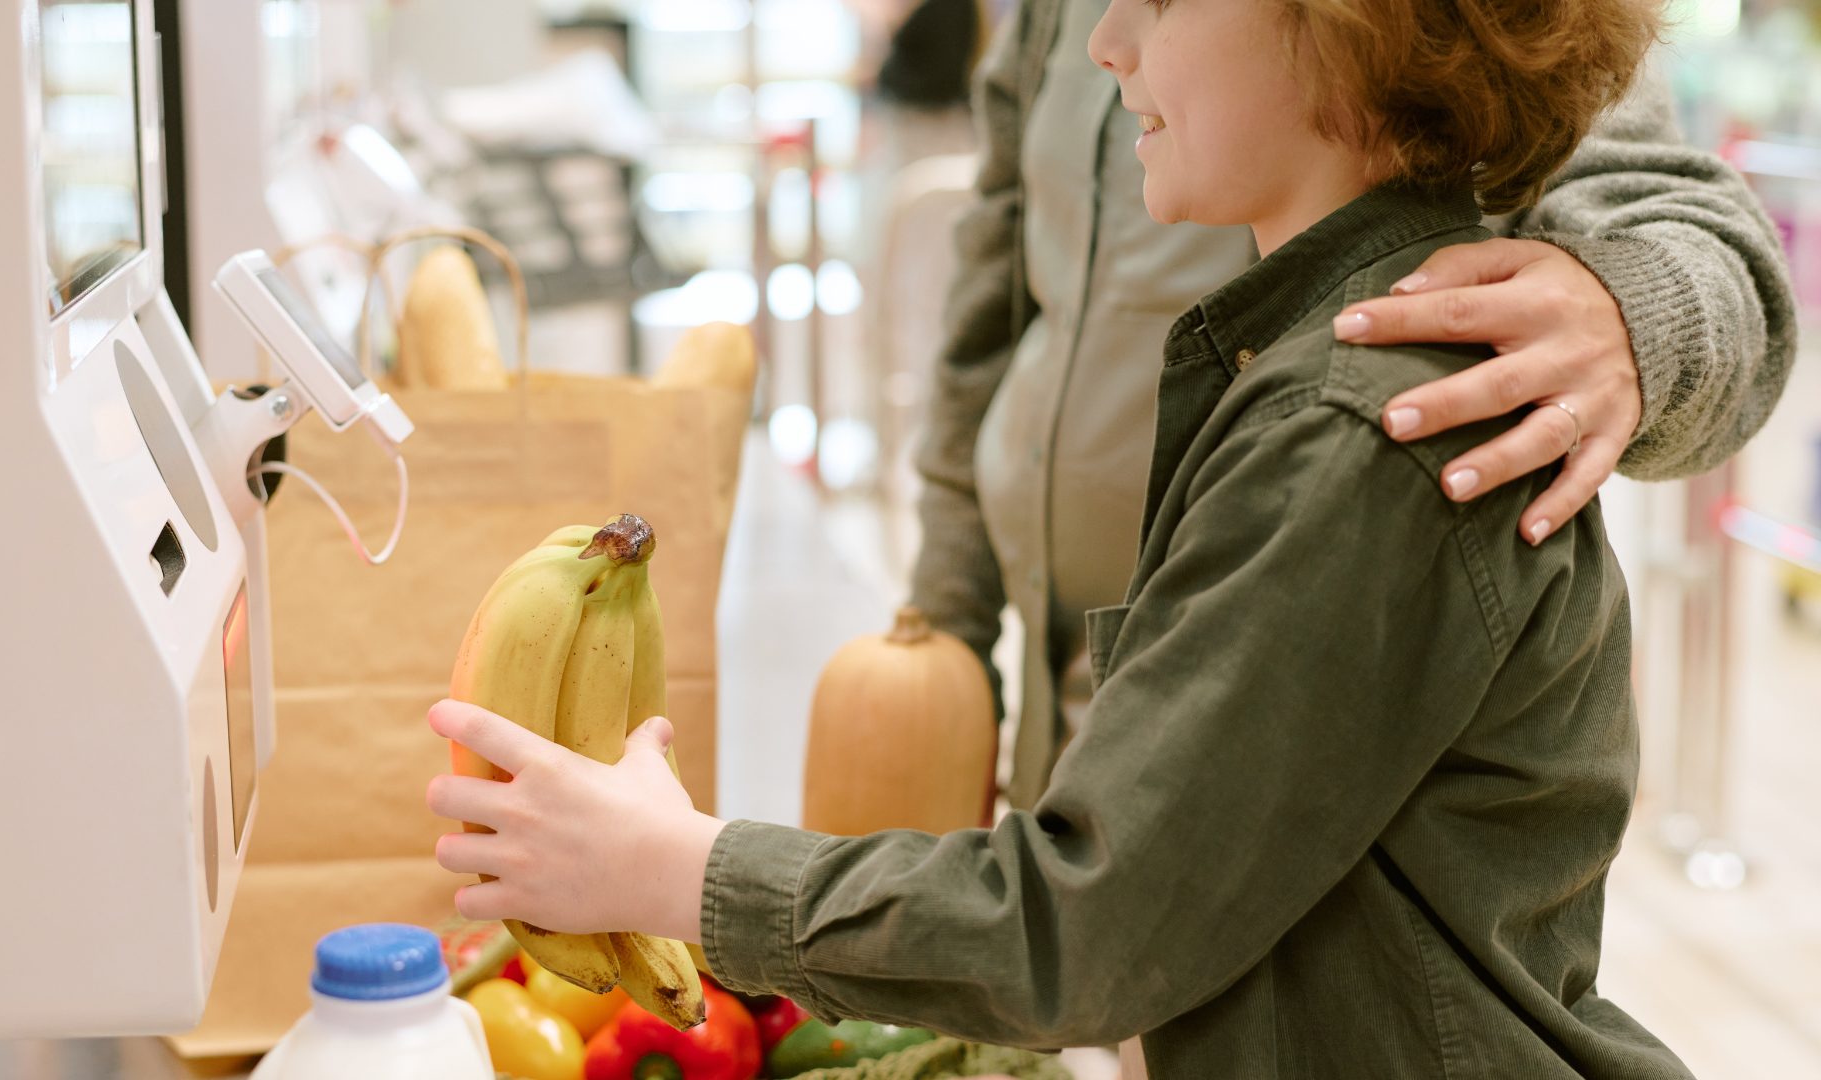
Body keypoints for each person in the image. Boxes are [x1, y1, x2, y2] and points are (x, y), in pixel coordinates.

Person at [426, 0, 1729, 1074]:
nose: (1103, 43)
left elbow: (1088, 932)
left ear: (1352, 27)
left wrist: (679, 870)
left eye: (1155, 1)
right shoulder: (1307, 375)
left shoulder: (1361, 431)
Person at [911, 0, 1797, 816]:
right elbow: (998, 289)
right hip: (1060, 688)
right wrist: (944, 636)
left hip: (1293, 738)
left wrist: (1631, 309)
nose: (1114, 42)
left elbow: (1701, 236)